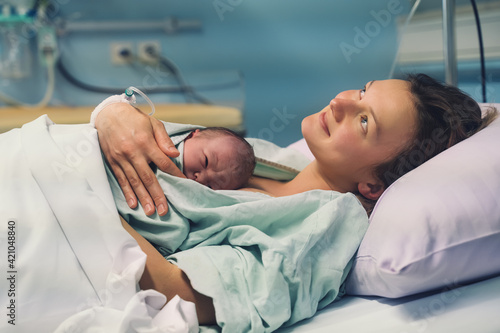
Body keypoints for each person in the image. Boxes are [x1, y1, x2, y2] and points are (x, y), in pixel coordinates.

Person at [95, 74, 497, 328]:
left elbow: (174, 290)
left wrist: (89, 192)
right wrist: (112, 113)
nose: (340, 102)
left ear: (374, 185)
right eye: (362, 91)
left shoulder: (317, 235)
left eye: (363, 121)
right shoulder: (272, 159)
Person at [167, 126, 255, 190]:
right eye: (205, 162)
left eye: (209, 186)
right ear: (191, 135)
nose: (201, 179)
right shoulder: (166, 138)